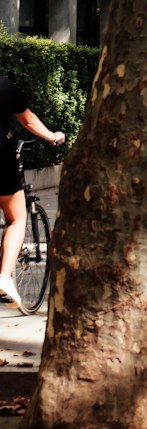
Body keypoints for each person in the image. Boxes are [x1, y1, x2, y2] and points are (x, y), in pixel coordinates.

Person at [0, 74, 65, 309]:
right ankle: (4, 278)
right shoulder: (3, 86)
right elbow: (28, 121)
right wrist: (53, 137)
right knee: (17, 218)